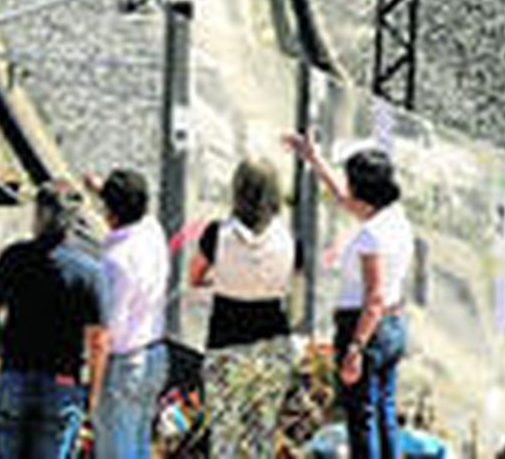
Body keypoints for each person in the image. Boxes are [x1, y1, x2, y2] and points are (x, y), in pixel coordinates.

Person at [284, 135, 414, 459]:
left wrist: (355, 348)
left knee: (361, 418)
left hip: (365, 327)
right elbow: (345, 200)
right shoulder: (394, 217)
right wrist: (314, 159)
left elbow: (373, 298)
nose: (347, 190)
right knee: (383, 409)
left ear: (363, 192)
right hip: (394, 324)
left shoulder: (372, 235)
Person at [0, 181, 110, 459]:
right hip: (62, 382)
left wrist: (0, 351)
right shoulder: (88, 272)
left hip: (15, 374)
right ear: (72, 222)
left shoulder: (13, 258)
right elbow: (98, 340)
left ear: (37, 215)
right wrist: (93, 392)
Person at [91, 169, 170, 459]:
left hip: (122, 366)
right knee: (137, 448)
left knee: (116, 451)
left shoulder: (115, 262)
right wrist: (101, 190)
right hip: (154, 356)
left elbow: (106, 332)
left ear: (110, 213)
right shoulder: (153, 231)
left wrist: (92, 387)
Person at [187, 158, 298, 349]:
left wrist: (220, 281)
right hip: (272, 338)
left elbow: (194, 276)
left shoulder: (217, 233)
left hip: (226, 336)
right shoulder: (289, 239)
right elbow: (295, 294)